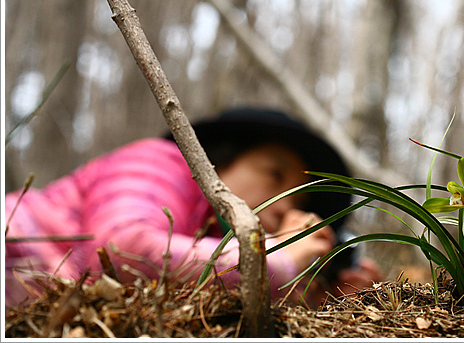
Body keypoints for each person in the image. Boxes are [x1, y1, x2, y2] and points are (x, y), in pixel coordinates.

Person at [4, 107, 382, 307]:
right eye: (273, 174)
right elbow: (122, 250)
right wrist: (278, 260)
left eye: (301, 200)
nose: (285, 207)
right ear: (217, 158)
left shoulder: (210, 241)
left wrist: (318, 293)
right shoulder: (161, 161)